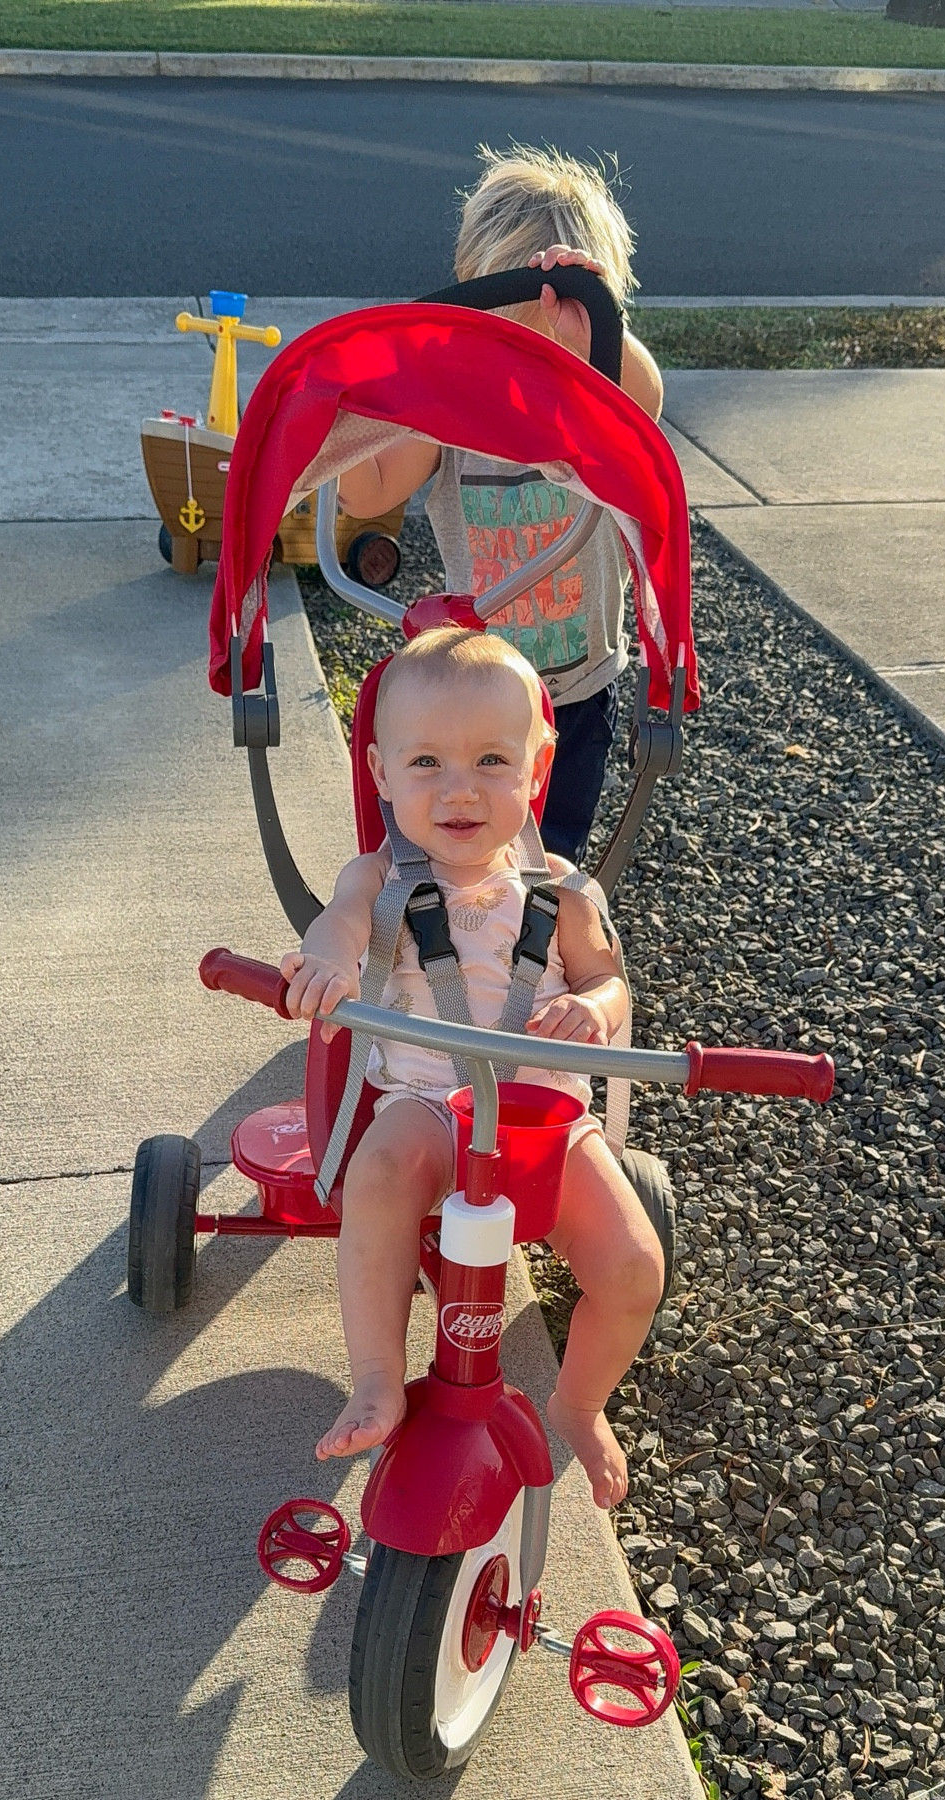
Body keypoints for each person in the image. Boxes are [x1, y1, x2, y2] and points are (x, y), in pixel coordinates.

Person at [280, 627, 664, 1512]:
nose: (460, 790)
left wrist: (595, 1008)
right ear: (379, 773)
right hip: (427, 1105)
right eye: (427, 764)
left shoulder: (563, 890)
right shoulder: (375, 878)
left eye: (493, 759)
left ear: (538, 768)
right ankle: (378, 1376)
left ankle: (580, 1401)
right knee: (378, 1175)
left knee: (635, 1265)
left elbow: (609, 977)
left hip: (544, 1126)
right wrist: (328, 965)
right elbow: (337, 926)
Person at [337, 143, 665, 868]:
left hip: (578, 685)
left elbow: (647, 401)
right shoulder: (450, 412)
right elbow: (368, 492)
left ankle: (533, 951)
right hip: (474, 694)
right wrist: (383, 403)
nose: (533, 351)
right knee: (463, 846)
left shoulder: (598, 406)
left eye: (556, 328)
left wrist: (596, 321)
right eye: (511, 325)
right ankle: (462, 949)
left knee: (552, 852)